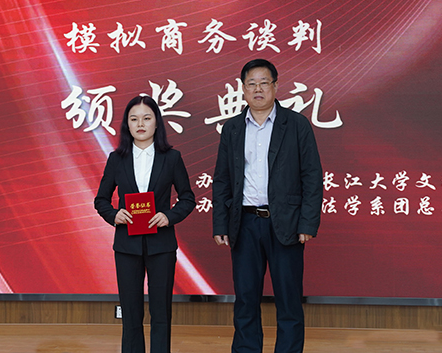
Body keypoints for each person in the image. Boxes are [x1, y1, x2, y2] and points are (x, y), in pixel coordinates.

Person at [212, 59, 323, 353]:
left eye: (264, 82)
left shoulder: (296, 125)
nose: (258, 89)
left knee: (288, 298)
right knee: (245, 297)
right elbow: (222, 180)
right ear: (243, 89)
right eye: (251, 83)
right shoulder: (232, 128)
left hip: (285, 222)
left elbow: (312, 176)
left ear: (275, 86)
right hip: (244, 223)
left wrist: (307, 223)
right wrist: (220, 223)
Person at [95, 95, 195, 353]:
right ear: (126, 124)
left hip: (161, 245)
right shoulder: (116, 158)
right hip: (126, 246)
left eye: (146, 118)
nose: (140, 124)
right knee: (131, 313)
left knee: (161, 312)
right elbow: (101, 200)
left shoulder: (171, 158)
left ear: (156, 122)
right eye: (134, 119)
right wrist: (114, 215)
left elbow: (187, 198)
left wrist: (169, 217)